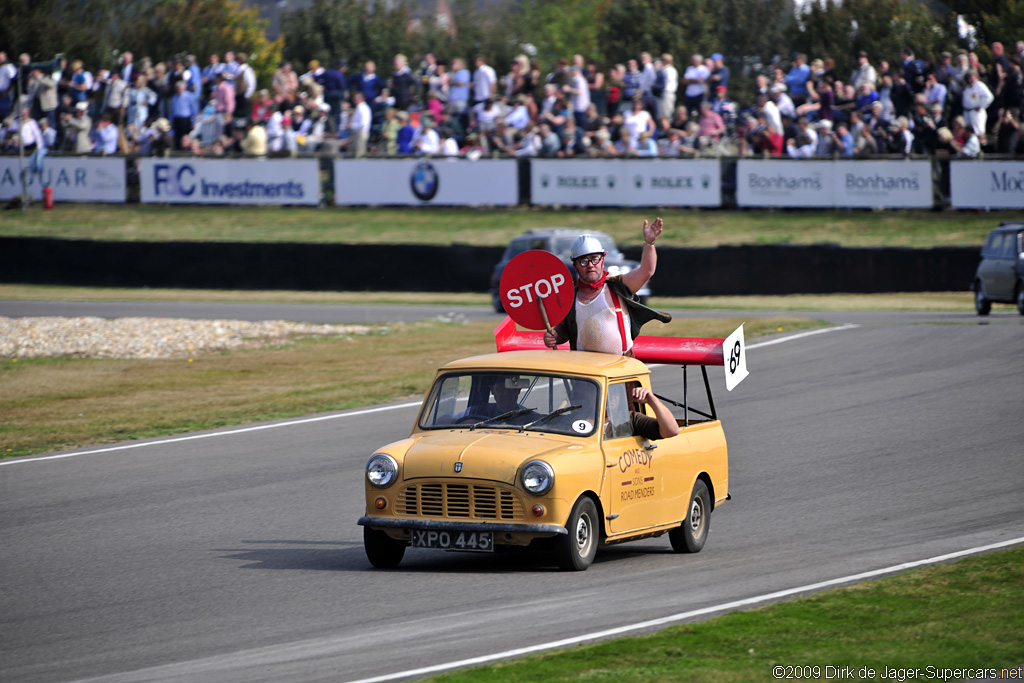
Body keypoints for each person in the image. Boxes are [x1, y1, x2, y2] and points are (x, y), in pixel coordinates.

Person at [544, 220, 671, 355]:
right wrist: (555, 336)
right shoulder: (569, 298)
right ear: (575, 265)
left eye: (594, 258)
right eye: (583, 261)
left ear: (602, 261)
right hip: (584, 369)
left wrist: (649, 243)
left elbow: (646, 271)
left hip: (620, 369)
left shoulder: (618, 286)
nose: (590, 265)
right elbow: (564, 329)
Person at [605, 383, 679, 441]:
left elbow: (671, 431)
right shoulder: (593, 425)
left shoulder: (629, 419)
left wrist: (652, 400)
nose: (611, 398)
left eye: (615, 393)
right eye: (605, 393)